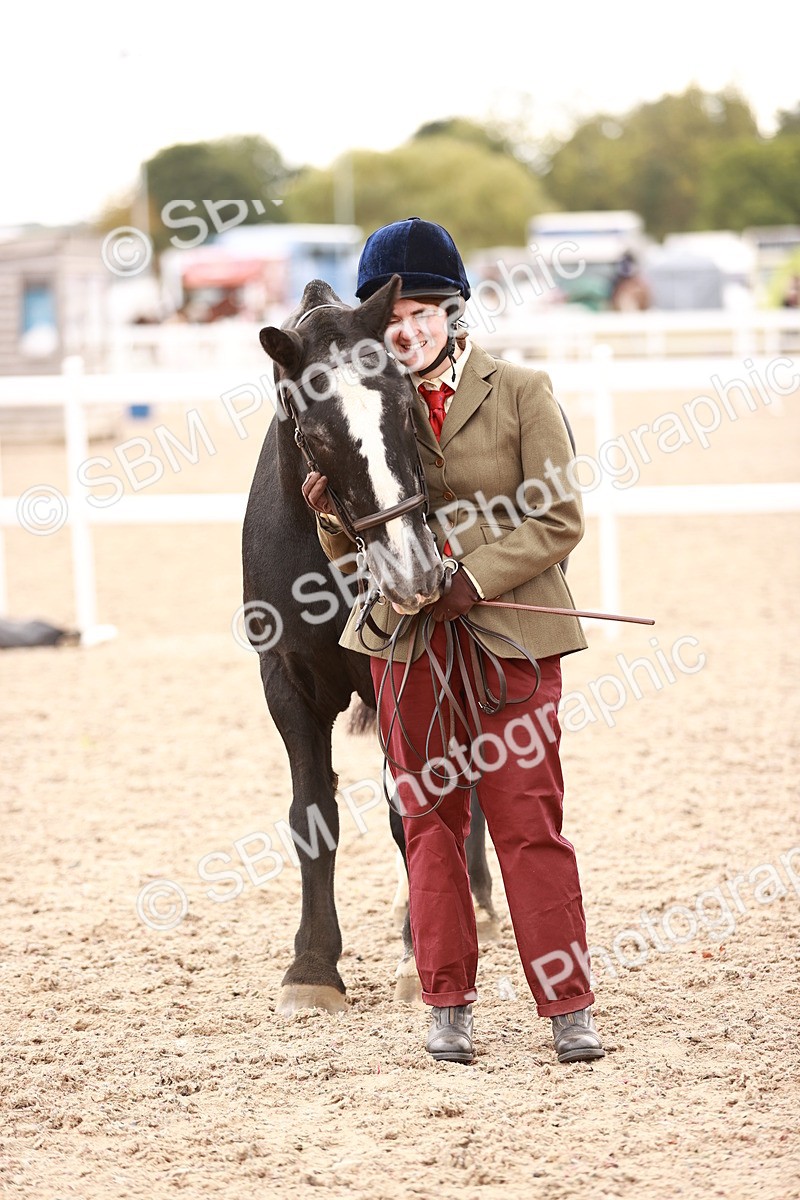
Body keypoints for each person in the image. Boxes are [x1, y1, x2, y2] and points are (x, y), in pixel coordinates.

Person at [302, 217, 604, 1066]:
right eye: (391, 317)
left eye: (423, 310)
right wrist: (331, 514)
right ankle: (445, 1002)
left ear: (453, 312)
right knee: (427, 823)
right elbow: (354, 554)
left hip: (508, 639)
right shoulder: (366, 405)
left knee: (528, 824)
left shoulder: (521, 393)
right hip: (405, 647)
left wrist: (472, 575)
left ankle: (567, 1003)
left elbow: (559, 517)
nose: (407, 329)